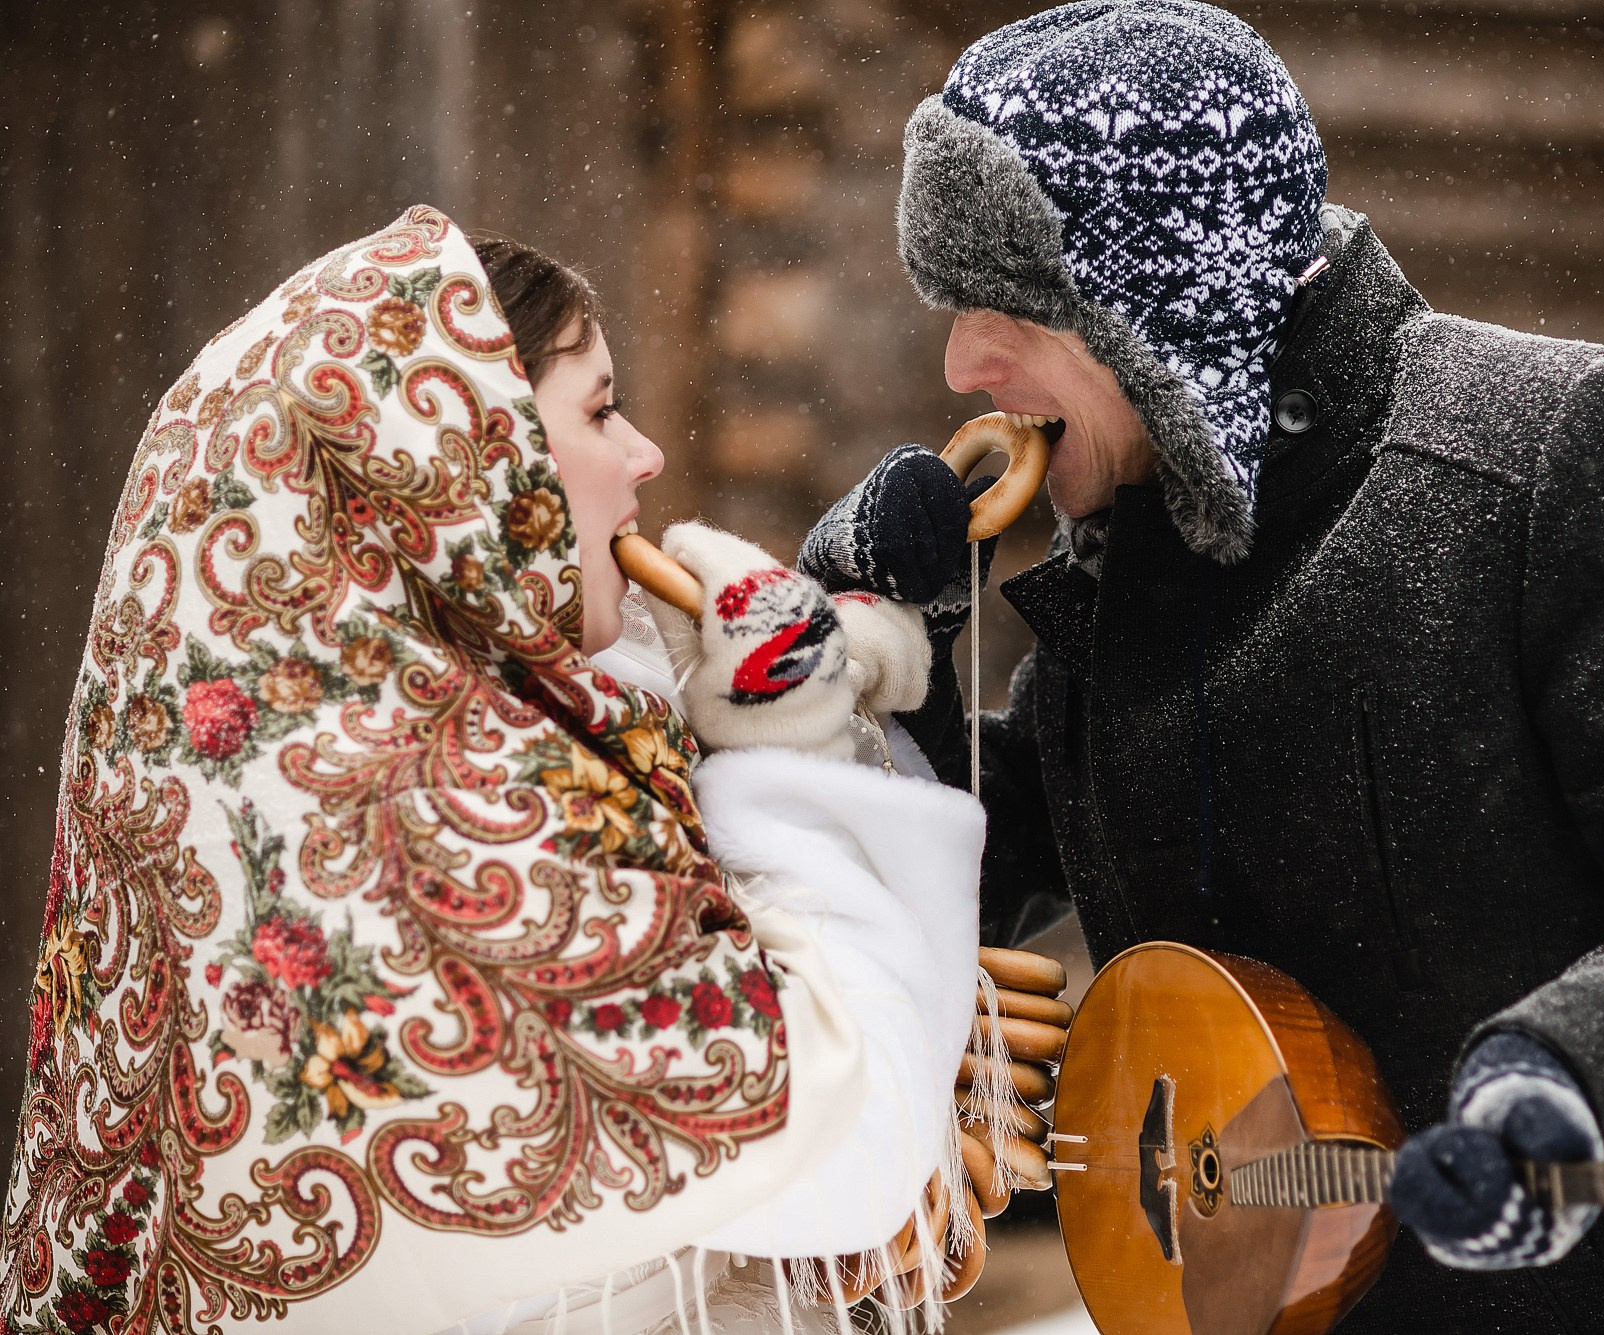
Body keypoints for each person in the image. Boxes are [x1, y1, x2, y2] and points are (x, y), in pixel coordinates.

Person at [799, 2, 1604, 1330]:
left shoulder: (1554, 452)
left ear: (1160, 300)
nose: (963, 360)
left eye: (1009, 306)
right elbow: (964, 874)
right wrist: (851, 651)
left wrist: (1568, 1066)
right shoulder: (1134, 544)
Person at [1, 206, 982, 1335]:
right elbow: (842, 1133)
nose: (645, 455)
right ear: (467, 463)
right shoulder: (429, 832)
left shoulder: (292, 768)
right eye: (600, 410)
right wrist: (790, 737)